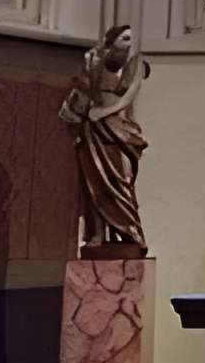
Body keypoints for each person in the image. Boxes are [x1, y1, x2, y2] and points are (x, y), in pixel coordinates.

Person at [60, 23, 151, 251]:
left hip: (117, 128)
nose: (129, 44)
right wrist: (90, 67)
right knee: (94, 183)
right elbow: (85, 92)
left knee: (120, 181)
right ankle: (98, 234)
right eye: (124, 39)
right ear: (112, 42)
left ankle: (131, 232)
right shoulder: (97, 62)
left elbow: (128, 97)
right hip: (93, 129)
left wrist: (104, 112)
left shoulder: (136, 64)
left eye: (131, 39)